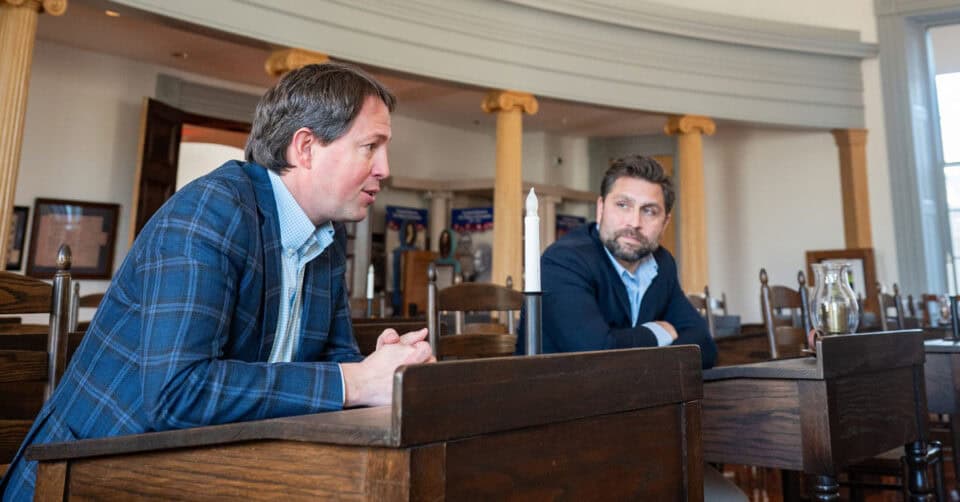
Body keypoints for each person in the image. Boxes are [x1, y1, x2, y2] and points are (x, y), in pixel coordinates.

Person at [0, 62, 434, 500]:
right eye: (370, 146)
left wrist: (379, 372)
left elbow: (334, 360)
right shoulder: (211, 212)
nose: (385, 168)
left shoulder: (328, 233)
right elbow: (178, 393)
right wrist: (356, 382)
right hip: (86, 473)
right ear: (306, 148)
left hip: (205, 472)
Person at [531, 154, 717, 368]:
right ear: (601, 208)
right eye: (622, 205)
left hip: (633, 397)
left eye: (649, 211)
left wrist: (624, 348)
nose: (634, 222)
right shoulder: (564, 262)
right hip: (561, 397)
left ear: (665, 223)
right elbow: (596, 355)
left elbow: (703, 346)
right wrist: (658, 333)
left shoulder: (661, 263)